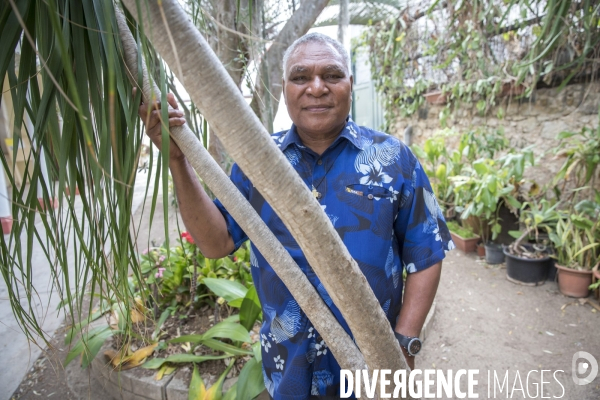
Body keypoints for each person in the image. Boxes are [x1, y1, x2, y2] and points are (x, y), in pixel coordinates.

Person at [139, 32, 454, 399]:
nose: (316, 88)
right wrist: (178, 160)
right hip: (288, 369)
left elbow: (426, 252)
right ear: (284, 89)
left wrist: (405, 343)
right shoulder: (257, 161)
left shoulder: (393, 159)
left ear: (350, 84)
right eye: (301, 77)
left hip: (373, 369)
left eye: (332, 75)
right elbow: (215, 242)